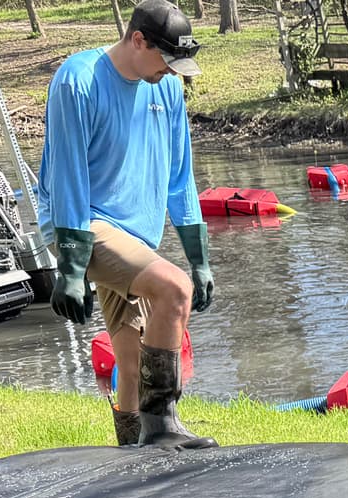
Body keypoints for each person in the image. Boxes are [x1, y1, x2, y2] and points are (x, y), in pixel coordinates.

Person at [36, 0, 216, 449]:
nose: (173, 72)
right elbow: (68, 176)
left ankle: (131, 446)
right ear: (138, 40)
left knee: (131, 360)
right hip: (81, 225)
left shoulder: (168, 90)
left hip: (135, 236)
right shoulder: (78, 81)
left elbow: (180, 178)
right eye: (167, 60)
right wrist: (71, 268)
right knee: (174, 289)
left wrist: (200, 258)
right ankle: (163, 425)